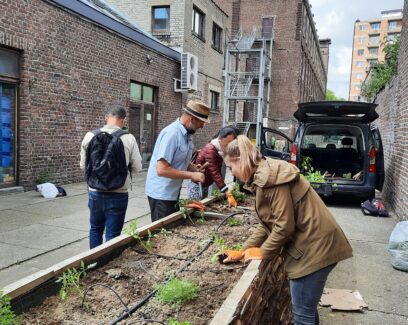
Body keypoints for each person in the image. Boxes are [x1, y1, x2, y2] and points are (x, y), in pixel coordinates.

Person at [223, 135, 353, 325]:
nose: (232, 172)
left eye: (230, 167)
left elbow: (284, 226)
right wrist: (243, 250)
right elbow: (268, 222)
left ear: (240, 161)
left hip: (315, 247)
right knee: (305, 310)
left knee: (302, 316)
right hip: (315, 242)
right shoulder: (265, 173)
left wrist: (264, 251)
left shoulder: (269, 179)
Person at [80, 106, 142, 249]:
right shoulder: (128, 138)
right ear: (123, 120)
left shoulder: (89, 136)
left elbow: (84, 166)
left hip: (95, 192)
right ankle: (107, 265)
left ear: (106, 117)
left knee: (95, 229)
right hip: (118, 193)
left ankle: (93, 264)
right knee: (113, 235)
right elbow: (137, 168)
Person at [145, 100, 210, 222]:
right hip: (161, 193)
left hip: (172, 191)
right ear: (192, 119)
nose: (202, 126)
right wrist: (192, 175)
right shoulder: (172, 134)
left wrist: (192, 168)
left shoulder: (187, 134)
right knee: (162, 232)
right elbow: (162, 170)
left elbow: (179, 158)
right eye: (201, 122)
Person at [187, 125, 240, 207]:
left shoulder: (219, 150)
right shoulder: (210, 150)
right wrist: (227, 192)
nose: (228, 147)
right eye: (227, 144)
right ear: (220, 139)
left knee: (202, 205)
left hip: (204, 183)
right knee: (195, 208)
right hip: (197, 184)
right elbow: (215, 173)